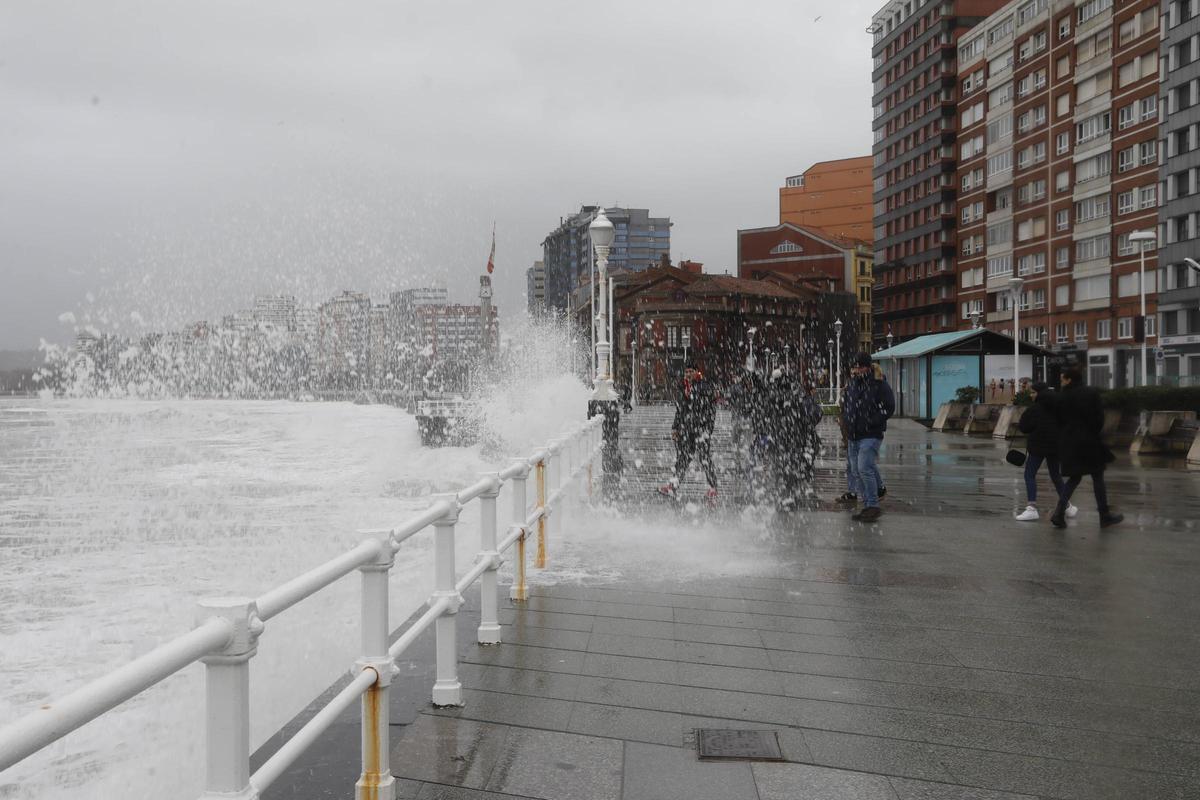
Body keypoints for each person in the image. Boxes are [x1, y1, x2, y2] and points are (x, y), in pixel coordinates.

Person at [1050, 366, 1122, 528]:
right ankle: (1104, 515)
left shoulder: (1062, 397)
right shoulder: (1090, 393)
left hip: (1069, 442)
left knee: (1074, 478)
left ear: (1069, 380)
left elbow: (1058, 420)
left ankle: (1059, 512)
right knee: (1097, 477)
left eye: (1063, 379)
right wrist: (1092, 433)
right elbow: (1099, 418)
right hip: (1089, 441)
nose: (1061, 382)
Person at [840, 353, 895, 522]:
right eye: (855, 367)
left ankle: (872, 505)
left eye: (859, 367)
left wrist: (872, 421)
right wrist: (847, 424)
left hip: (870, 434)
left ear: (867, 366)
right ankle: (868, 504)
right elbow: (849, 406)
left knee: (864, 468)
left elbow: (889, 406)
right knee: (857, 470)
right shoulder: (854, 384)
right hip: (854, 435)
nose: (856, 370)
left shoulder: (879, 384)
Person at [1014, 382, 1077, 522]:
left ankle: (1031, 508)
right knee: (1056, 476)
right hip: (1055, 447)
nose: (1031, 395)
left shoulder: (1035, 409)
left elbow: (1024, 427)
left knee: (1029, 474)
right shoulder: (1059, 407)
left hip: (1038, 447)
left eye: (1033, 392)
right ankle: (1067, 506)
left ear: (1039, 393)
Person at [659, 364, 718, 502]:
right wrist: (675, 428)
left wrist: (707, 430)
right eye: (686, 371)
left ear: (697, 372)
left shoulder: (704, 387)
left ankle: (713, 488)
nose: (688, 374)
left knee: (704, 458)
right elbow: (680, 411)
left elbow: (710, 411)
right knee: (683, 459)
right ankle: (672, 486)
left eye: (691, 371)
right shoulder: (683, 387)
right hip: (686, 429)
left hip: (701, 429)